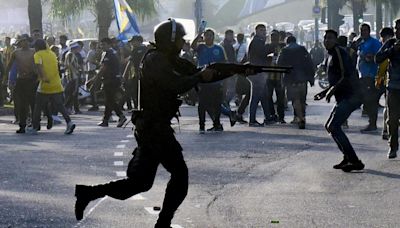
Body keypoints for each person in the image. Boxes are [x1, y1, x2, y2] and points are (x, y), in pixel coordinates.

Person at [74, 19, 216, 228]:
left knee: (139, 183)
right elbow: (175, 84)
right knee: (179, 175)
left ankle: (88, 193)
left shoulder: (167, 58)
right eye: (179, 40)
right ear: (170, 40)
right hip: (153, 128)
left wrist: (234, 71)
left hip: (153, 127)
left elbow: (196, 72)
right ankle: (163, 223)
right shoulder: (156, 60)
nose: (182, 44)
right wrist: (199, 77)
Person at [314, 29, 365, 172]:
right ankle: (347, 157)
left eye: (330, 38)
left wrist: (331, 90)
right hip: (343, 96)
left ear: (335, 40)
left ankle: (354, 160)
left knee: (334, 126)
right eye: (325, 38)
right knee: (330, 126)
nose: (327, 40)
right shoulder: (329, 55)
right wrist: (325, 92)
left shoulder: (339, 53)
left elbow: (346, 75)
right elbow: (335, 79)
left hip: (351, 96)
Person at [26, 39, 75, 135]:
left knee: (38, 106)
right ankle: (69, 122)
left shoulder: (38, 55)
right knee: (60, 105)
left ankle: (35, 127)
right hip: (56, 83)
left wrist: (43, 78)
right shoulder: (52, 54)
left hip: (45, 84)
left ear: (37, 47)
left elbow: (39, 66)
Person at [191, 28, 226, 133]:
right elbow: (193, 46)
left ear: (213, 37)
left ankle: (216, 124)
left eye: (210, 35)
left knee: (217, 104)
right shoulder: (201, 47)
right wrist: (199, 34)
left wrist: (225, 81)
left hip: (216, 80)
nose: (208, 37)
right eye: (206, 35)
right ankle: (201, 125)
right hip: (203, 80)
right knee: (202, 104)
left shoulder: (219, 49)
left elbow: (224, 64)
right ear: (204, 37)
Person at [375, 19, 400, 159]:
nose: (397, 31)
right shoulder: (390, 43)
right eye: (396, 28)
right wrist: (392, 50)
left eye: (399, 28)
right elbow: (377, 58)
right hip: (393, 87)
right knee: (392, 119)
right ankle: (393, 146)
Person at [278, 36, 314, 129]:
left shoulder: (284, 50)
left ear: (287, 42)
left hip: (291, 78)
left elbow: (279, 64)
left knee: (295, 99)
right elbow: (310, 63)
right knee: (302, 99)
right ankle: (302, 116)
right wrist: (311, 78)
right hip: (303, 78)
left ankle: (299, 117)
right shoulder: (302, 49)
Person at [7, 34, 37, 133]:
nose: (24, 43)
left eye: (25, 41)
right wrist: (6, 78)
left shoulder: (34, 52)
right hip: (21, 80)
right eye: (21, 41)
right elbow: (10, 66)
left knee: (33, 103)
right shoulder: (16, 53)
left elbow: (39, 65)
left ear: (28, 41)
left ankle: (35, 123)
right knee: (22, 104)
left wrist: (39, 76)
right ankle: (22, 125)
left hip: (32, 79)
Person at [95, 38, 127, 127]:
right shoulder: (106, 54)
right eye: (101, 44)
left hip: (111, 80)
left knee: (110, 100)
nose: (102, 46)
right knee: (109, 100)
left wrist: (95, 80)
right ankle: (105, 120)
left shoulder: (110, 54)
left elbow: (103, 68)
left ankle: (121, 116)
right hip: (109, 80)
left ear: (109, 45)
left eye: (104, 44)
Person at [357, 23, 382, 133]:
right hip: (363, 75)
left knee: (371, 100)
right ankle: (370, 120)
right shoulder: (361, 43)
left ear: (369, 31)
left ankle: (373, 123)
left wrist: (367, 57)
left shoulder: (374, 43)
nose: (363, 32)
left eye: (365, 30)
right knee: (366, 99)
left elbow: (378, 57)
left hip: (372, 75)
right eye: (361, 30)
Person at [247, 24, 269, 127]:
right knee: (255, 97)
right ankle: (252, 120)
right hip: (257, 72)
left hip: (258, 72)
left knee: (263, 96)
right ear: (256, 31)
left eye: (264, 30)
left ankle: (268, 117)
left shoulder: (257, 41)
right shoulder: (257, 42)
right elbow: (263, 53)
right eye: (261, 30)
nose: (263, 32)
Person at [375, 27, 394, 141]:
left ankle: (387, 129)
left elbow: (382, 66)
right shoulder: (387, 47)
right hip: (388, 82)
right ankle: (386, 129)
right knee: (388, 107)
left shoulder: (389, 46)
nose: (382, 40)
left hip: (389, 82)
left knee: (389, 107)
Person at [265, 30, 286, 123]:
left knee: (280, 98)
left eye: (276, 37)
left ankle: (281, 116)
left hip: (279, 76)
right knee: (268, 97)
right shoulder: (267, 47)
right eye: (272, 37)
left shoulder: (283, 47)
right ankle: (272, 114)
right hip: (269, 76)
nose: (274, 39)